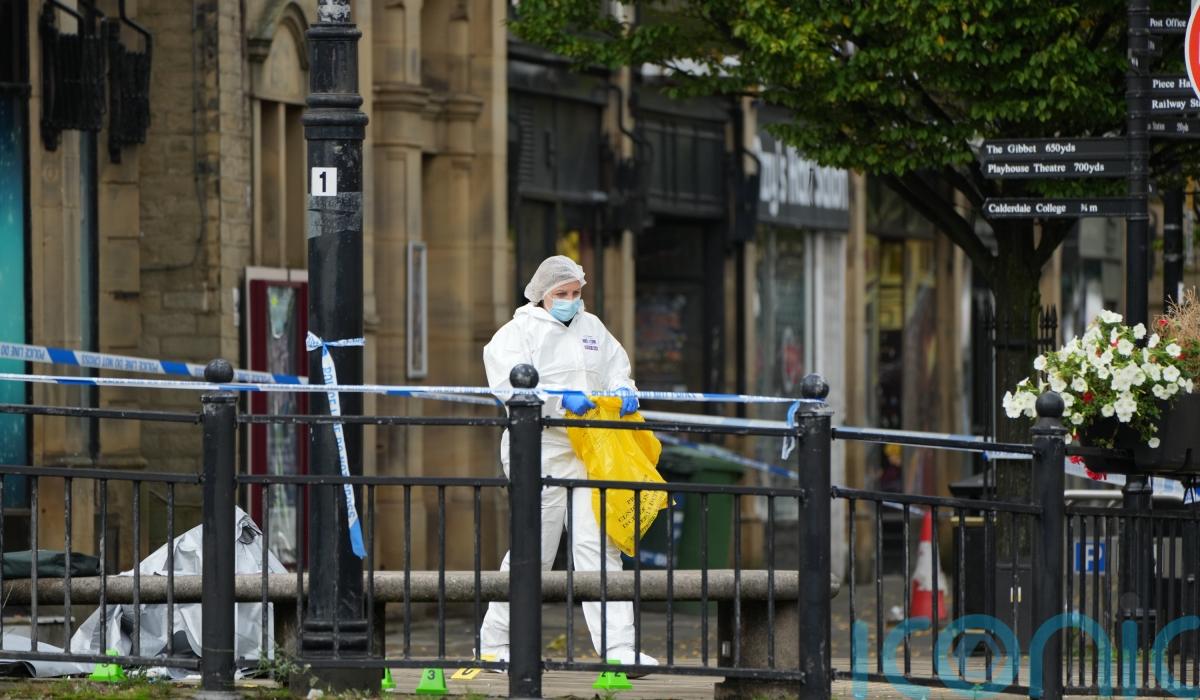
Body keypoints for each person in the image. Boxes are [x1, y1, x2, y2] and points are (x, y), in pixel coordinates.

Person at [478, 255, 658, 669]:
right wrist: (559, 400)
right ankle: (495, 641)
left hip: (591, 448)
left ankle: (618, 649)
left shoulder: (592, 328)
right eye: (562, 293)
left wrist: (623, 389)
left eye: (576, 292)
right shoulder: (518, 332)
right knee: (533, 548)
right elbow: (508, 385)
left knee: (598, 546)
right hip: (540, 446)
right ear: (542, 294)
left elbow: (617, 368)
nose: (571, 300)